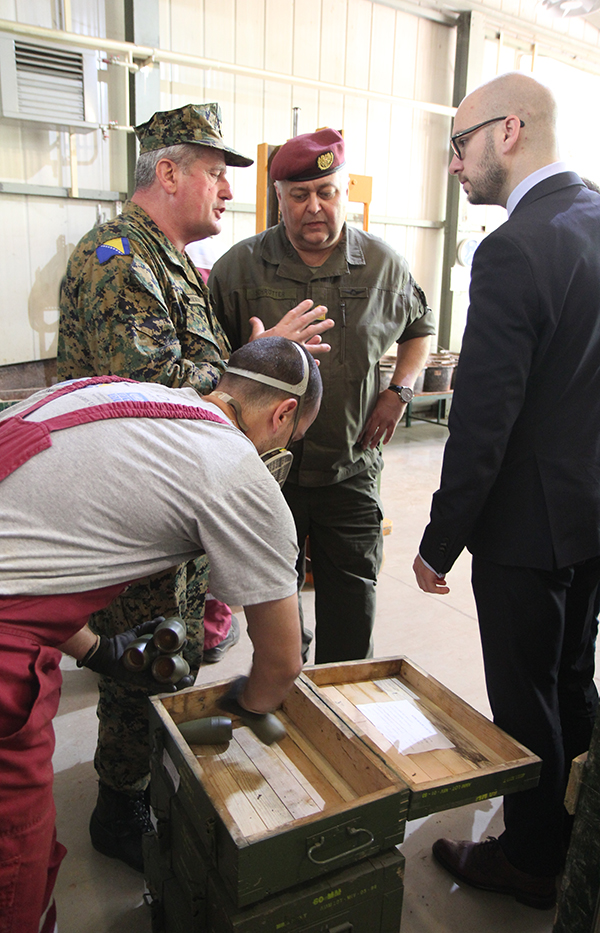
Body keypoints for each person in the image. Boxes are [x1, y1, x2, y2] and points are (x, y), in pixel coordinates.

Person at [57, 103, 333, 869]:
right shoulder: (118, 258)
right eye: (215, 172)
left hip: (168, 500)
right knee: (140, 660)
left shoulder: (169, 259)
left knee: (169, 651)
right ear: (168, 172)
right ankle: (120, 807)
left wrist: (250, 358)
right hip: (130, 501)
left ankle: (145, 781)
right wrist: (256, 363)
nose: (224, 189)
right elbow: (150, 386)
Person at [0, 336, 320, 933]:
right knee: (13, 867)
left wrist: (99, 651)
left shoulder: (127, 398)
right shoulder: (237, 471)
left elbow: (36, 550)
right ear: (282, 415)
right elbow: (281, 667)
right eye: (289, 439)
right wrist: (239, 715)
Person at [413, 72, 600, 911]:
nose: (454, 164)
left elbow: (483, 419)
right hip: (590, 514)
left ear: (508, 131)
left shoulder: (514, 247)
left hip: (527, 529)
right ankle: (573, 832)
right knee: (570, 678)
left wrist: (438, 537)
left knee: (523, 700)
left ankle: (528, 860)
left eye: (460, 144)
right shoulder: (592, 221)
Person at [210, 128, 435, 665]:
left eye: (327, 192)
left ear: (344, 192)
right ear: (280, 199)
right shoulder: (238, 270)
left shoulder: (385, 266)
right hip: (264, 473)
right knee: (274, 603)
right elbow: (208, 369)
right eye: (298, 195)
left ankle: (344, 706)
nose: (315, 207)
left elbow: (420, 327)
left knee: (352, 599)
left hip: (351, 468)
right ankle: (288, 695)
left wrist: (399, 391)